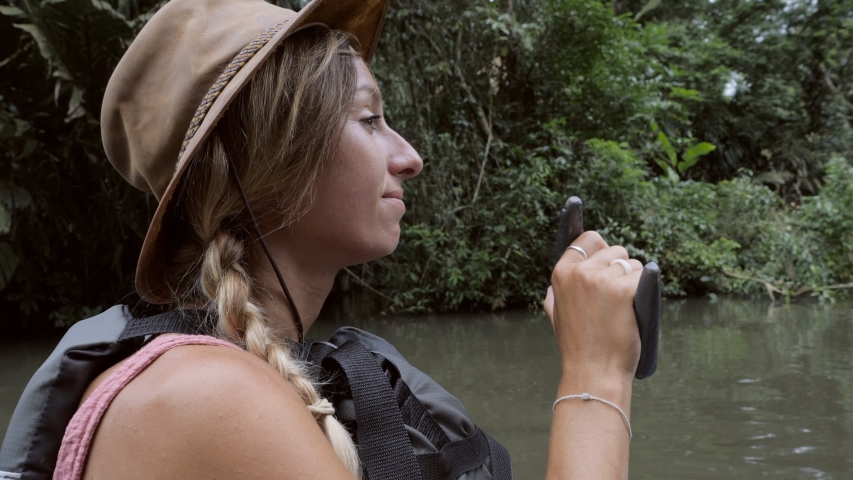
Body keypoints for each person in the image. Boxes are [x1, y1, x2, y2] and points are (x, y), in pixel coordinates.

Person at [42, 0, 644, 478]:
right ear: (267, 161)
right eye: (369, 119)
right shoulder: (207, 396)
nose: (410, 158)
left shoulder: (229, 379)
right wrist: (597, 372)